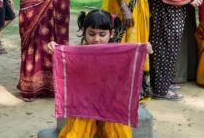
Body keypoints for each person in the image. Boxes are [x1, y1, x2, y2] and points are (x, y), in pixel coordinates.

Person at [46, 10, 152, 138]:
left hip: (110, 102)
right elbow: (64, 57)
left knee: (116, 130)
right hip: (85, 103)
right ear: (84, 32)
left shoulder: (118, 53)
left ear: (111, 33)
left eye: (102, 34)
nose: (96, 39)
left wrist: (143, 49)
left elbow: (133, 56)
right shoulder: (78, 53)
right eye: (91, 34)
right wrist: (53, 48)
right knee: (78, 130)